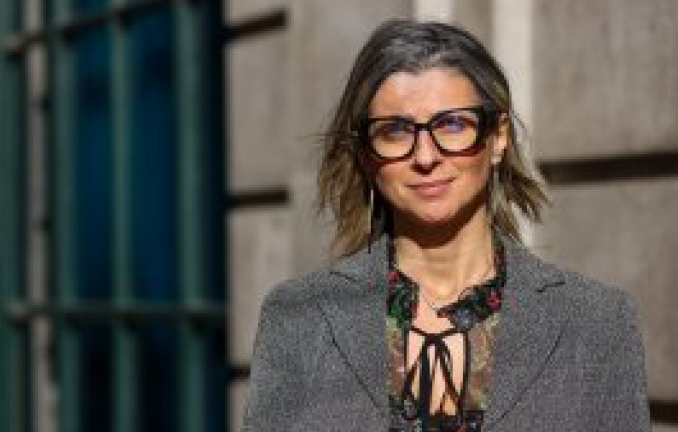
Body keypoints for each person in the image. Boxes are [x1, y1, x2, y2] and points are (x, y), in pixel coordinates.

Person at [242, 19, 650, 432]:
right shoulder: (299, 317)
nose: (425, 157)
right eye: (395, 131)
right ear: (366, 154)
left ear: (497, 137)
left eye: (452, 124)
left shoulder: (596, 323)